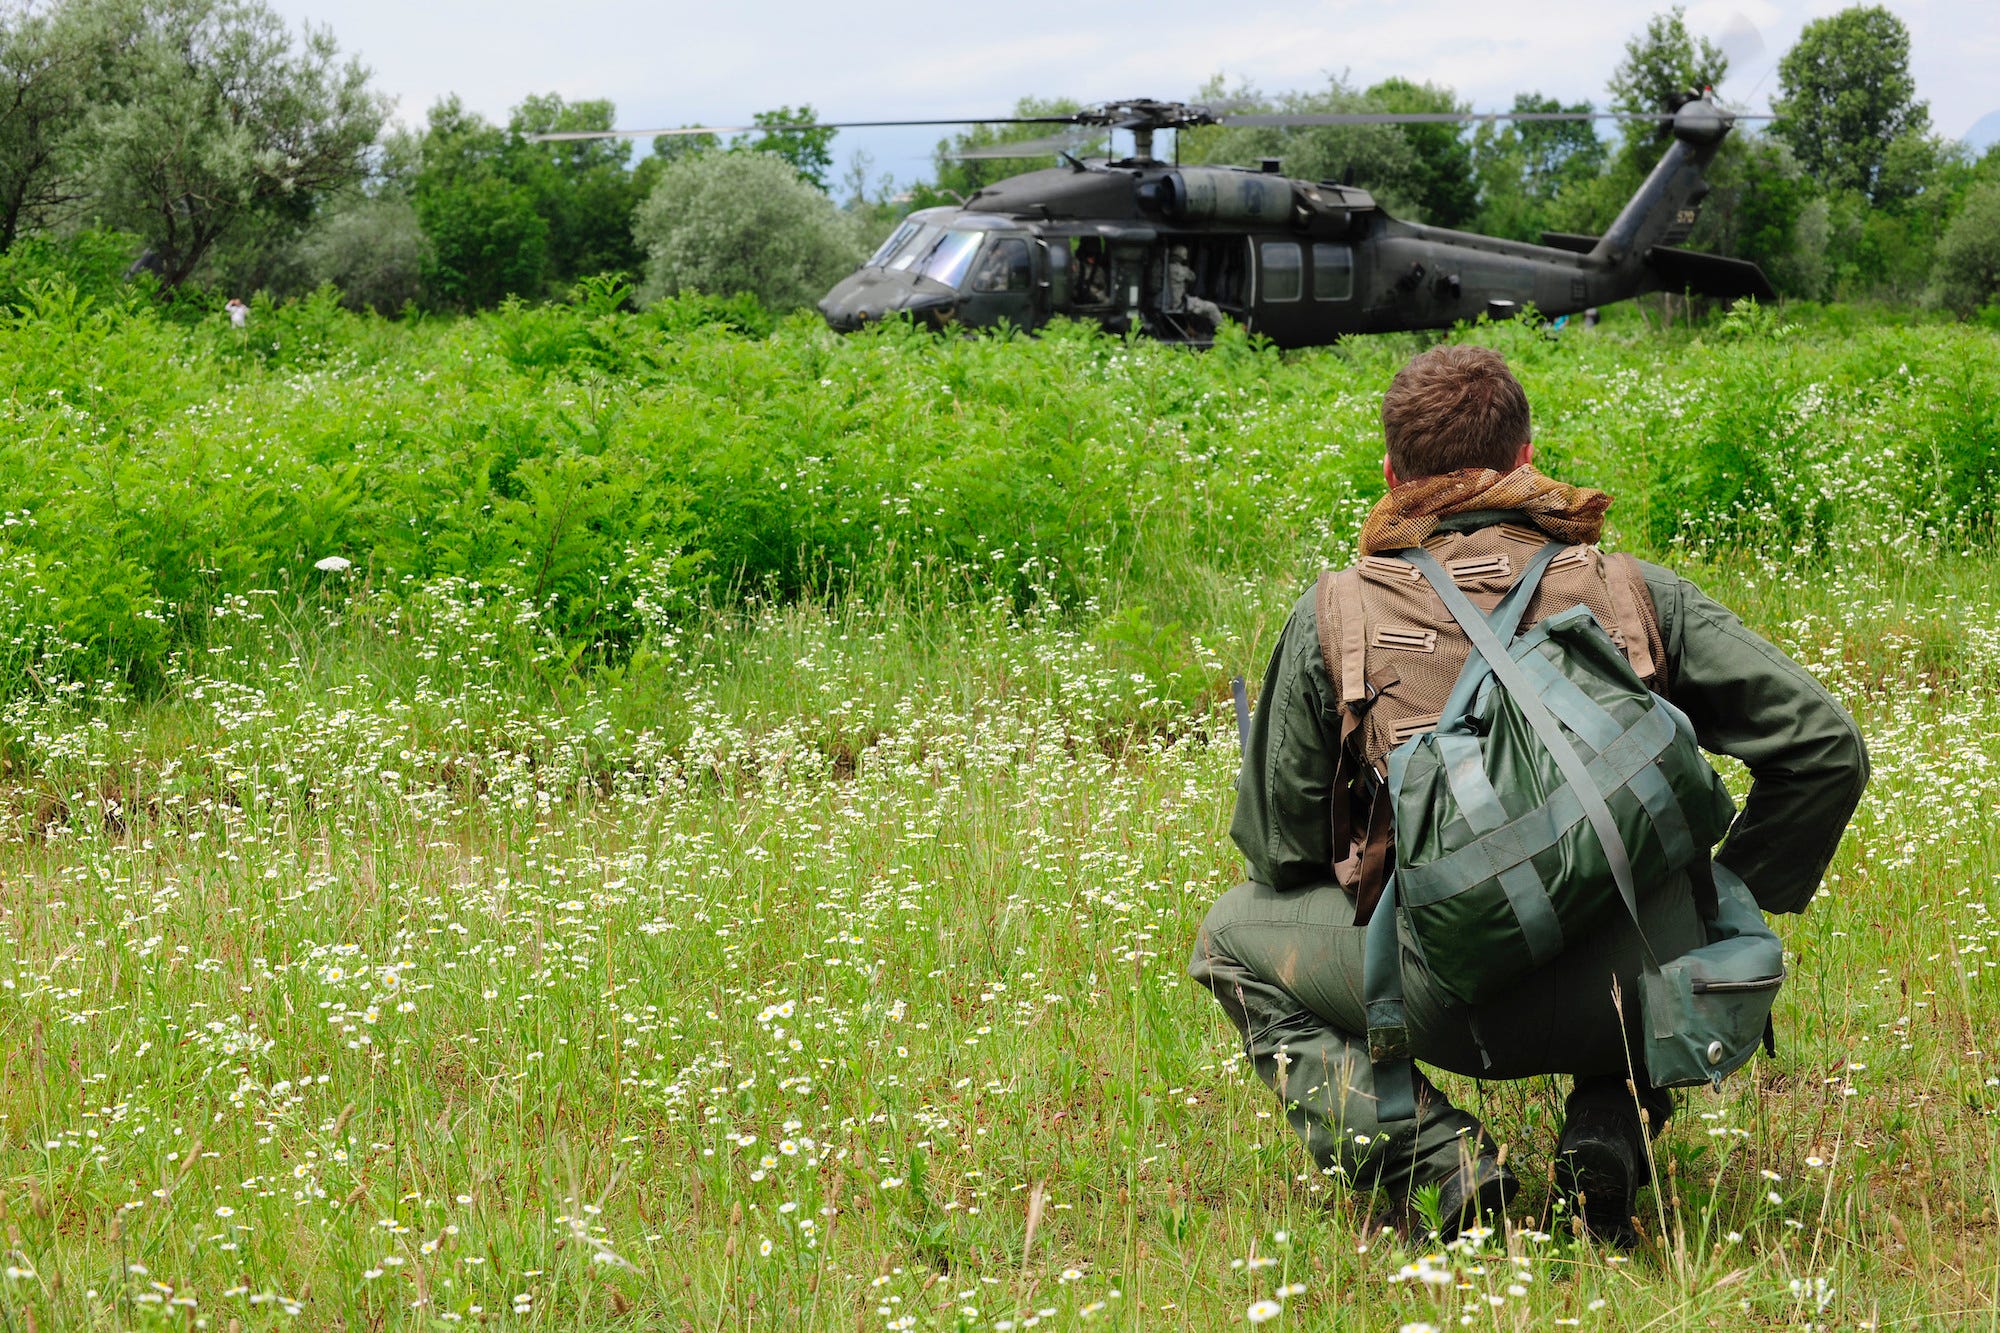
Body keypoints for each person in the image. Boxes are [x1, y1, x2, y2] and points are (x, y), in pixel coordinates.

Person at [1189, 345, 1867, 1243]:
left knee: (1229, 938)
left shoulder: (1337, 614)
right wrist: (1722, 892)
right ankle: (1612, 1122)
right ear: (1525, 454)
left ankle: (1437, 1164)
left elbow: (1276, 852)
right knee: (1654, 885)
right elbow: (1827, 746)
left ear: (1391, 473)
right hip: (1649, 985)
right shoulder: (1630, 589)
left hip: (1447, 998)